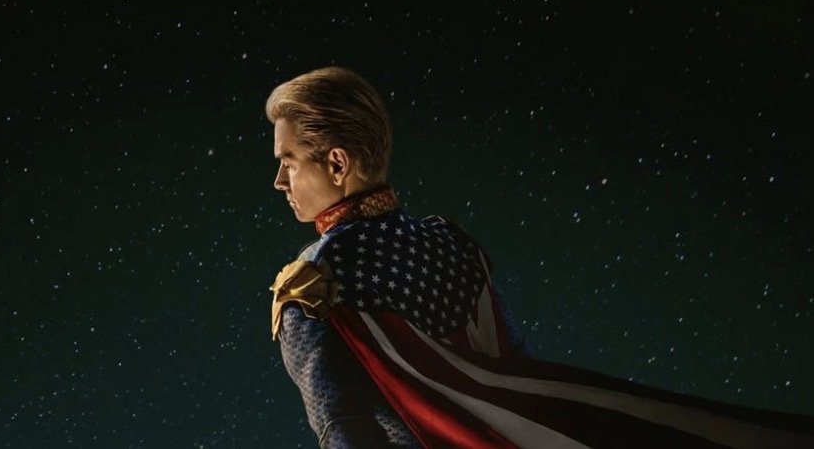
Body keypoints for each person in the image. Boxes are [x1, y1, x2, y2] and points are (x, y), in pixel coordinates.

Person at [265, 66, 814, 448]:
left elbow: (344, 430)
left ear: (337, 164)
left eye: (289, 161)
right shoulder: (451, 243)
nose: (279, 180)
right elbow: (519, 373)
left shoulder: (316, 283)